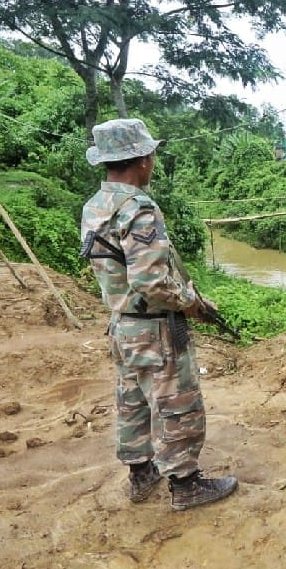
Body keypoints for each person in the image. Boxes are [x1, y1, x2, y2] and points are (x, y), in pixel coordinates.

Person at [80, 118, 238, 511]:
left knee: (133, 400)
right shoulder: (138, 209)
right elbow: (151, 282)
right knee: (177, 403)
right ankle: (185, 485)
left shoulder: (96, 205)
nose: (153, 160)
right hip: (154, 327)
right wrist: (192, 303)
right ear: (142, 160)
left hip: (123, 326)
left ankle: (141, 474)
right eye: (150, 153)